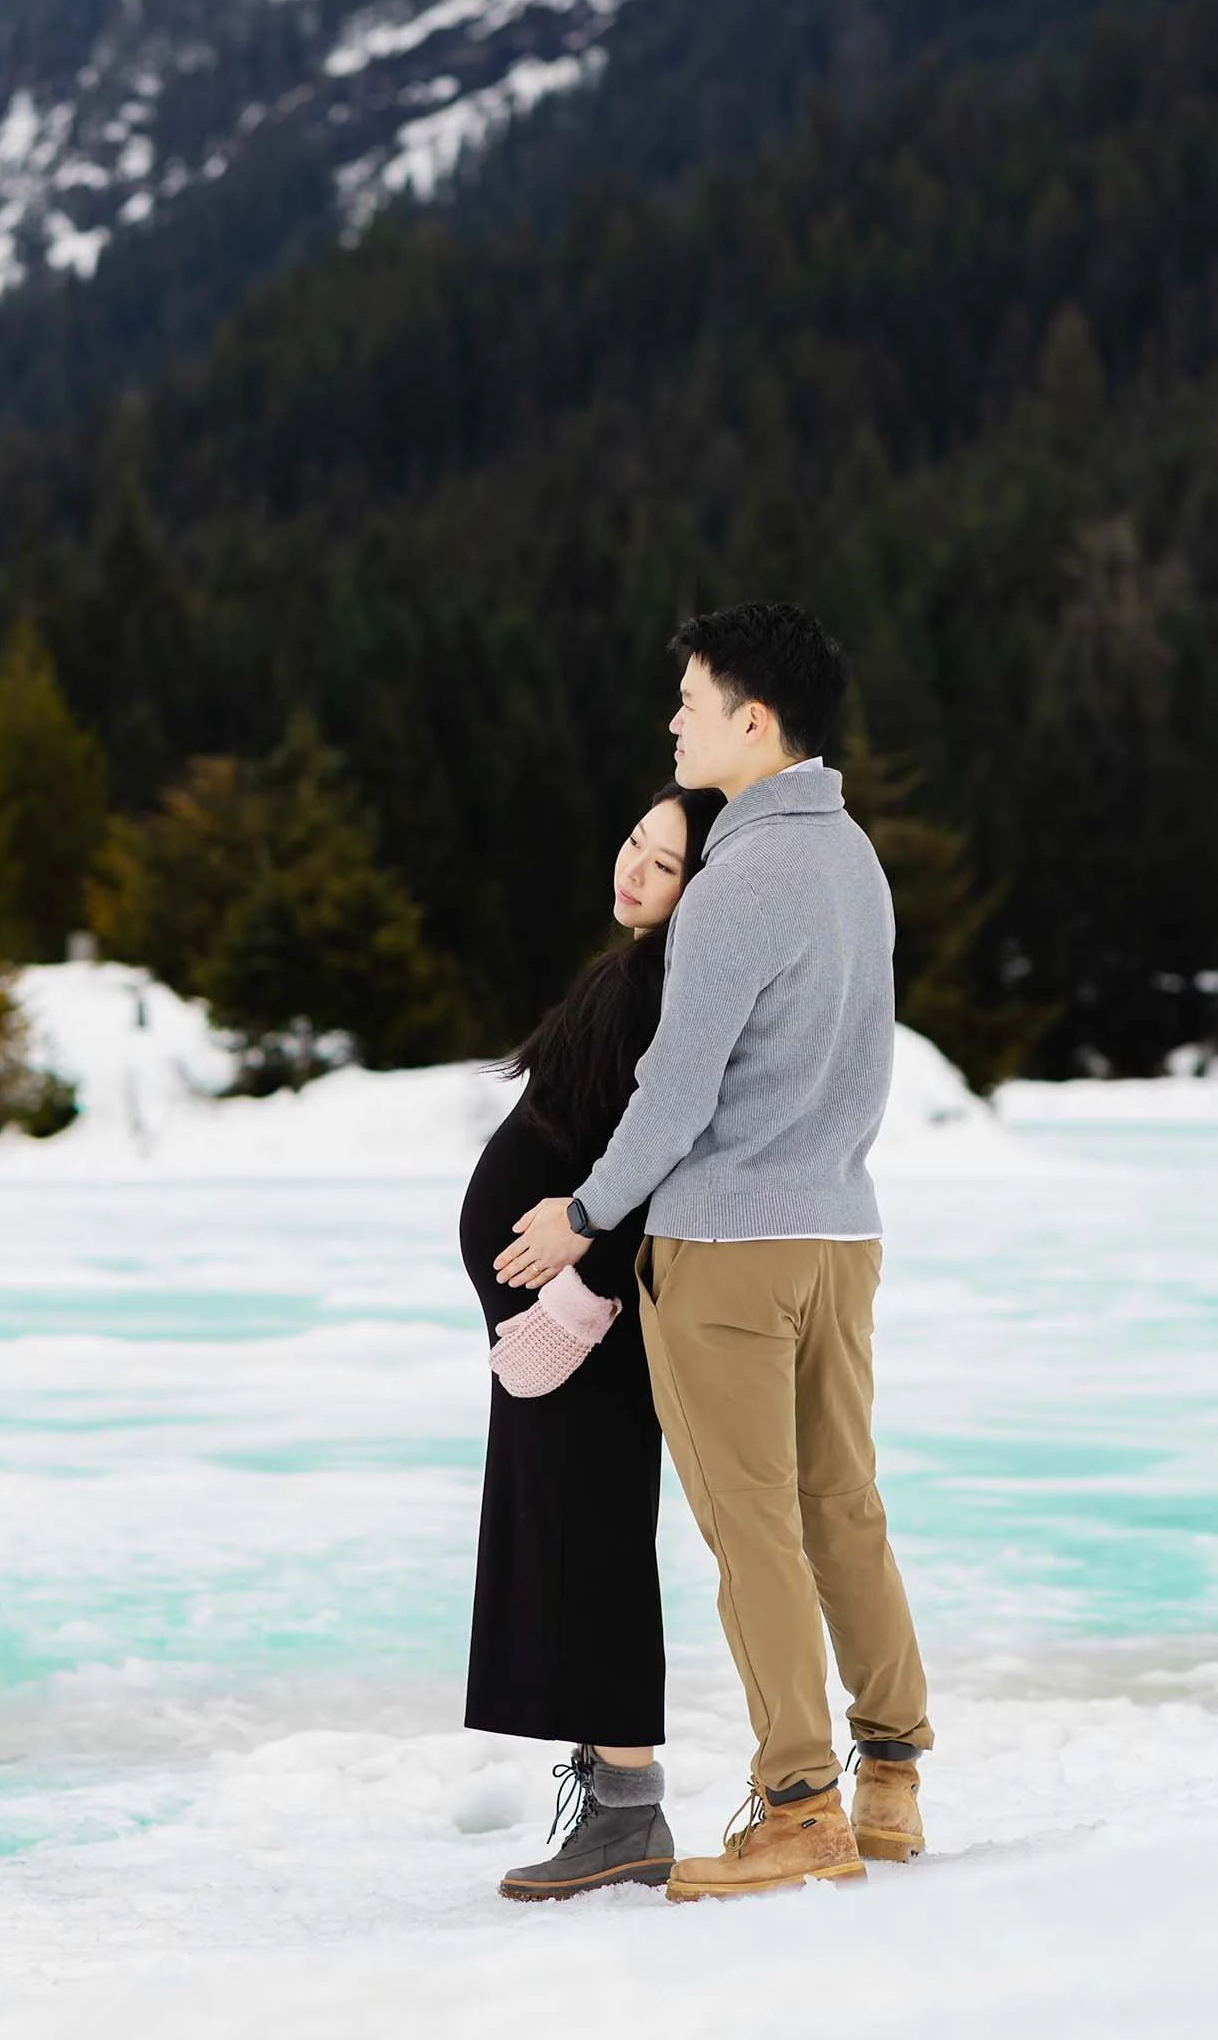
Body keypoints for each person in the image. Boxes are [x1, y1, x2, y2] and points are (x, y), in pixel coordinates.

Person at [496, 602, 932, 1902]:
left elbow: (676, 1093)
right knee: (839, 1506)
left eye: (686, 702)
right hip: (834, 1236)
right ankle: (890, 1778)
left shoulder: (740, 880)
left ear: (753, 721)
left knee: (750, 1526)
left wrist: (580, 1214)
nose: (669, 722)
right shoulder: (851, 856)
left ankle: (798, 1806)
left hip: (725, 1245)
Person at [459, 779, 723, 1900]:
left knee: (599, 1540)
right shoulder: (633, 973)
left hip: (588, 1322)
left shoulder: (677, 993)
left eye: (663, 864)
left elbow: (667, 1162)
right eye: (633, 843)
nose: (633, 869)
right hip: (556, 1317)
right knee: (561, 1539)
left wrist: (582, 1297)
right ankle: (610, 1791)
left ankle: (629, 1810)